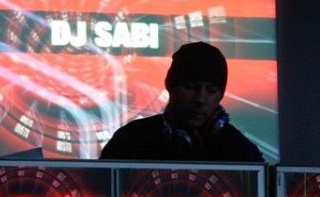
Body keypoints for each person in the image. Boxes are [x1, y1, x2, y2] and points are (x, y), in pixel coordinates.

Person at [99, 41, 263, 162]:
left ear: (221, 95)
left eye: (211, 90)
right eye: (191, 87)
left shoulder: (242, 153)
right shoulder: (130, 141)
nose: (201, 99)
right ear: (170, 87)